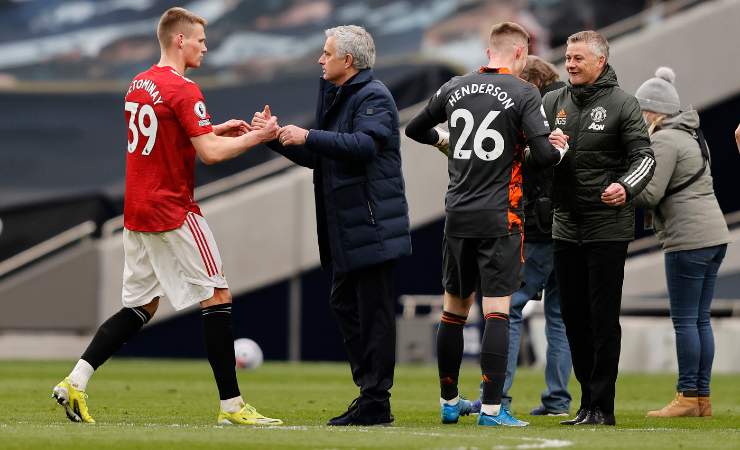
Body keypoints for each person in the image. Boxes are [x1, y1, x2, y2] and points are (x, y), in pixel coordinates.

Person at [51, 7, 282, 426]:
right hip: (172, 209)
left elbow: (174, 135)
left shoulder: (138, 83)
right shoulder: (184, 89)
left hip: (136, 210)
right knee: (217, 295)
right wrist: (258, 137)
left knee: (141, 305)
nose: (205, 48)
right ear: (180, 40)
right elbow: (209, 154)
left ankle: (75, 382)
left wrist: (216, 129)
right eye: (200, 40)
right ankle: (232, 407)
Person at [405, 22, 568, 428]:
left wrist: (445, 141)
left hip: (457, 214)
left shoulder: (454, 87)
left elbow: (413, 128)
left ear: (488, 49)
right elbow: (544, 156)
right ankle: (493, 411)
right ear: (520, 52)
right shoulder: (524, 91)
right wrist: (559, 149)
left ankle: (448, 402)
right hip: (501, 216)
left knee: (453, 312)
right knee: (496, 312)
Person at [252, 25, 411, 426]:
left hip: (372, 225)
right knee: (345, 306)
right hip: (344, 227)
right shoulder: (338, 95)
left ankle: (376, 399)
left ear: (349, 61)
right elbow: (323, 158)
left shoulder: (374, 96)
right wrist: (274, 138)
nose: (320, 60)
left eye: (326, 53)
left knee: (373, 315)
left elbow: (363, 146)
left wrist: (308, 134)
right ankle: (370, 394)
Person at [541, 30, 655, 426]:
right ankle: (586, 402)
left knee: (602, 317)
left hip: (608, 226)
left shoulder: (624, 104)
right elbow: (528, 153)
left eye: (577, 58)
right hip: (565, 224)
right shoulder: (552, 100)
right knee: (572, 316)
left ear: (600, 62)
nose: (569, 63)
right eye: (568, 57)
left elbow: (644, 157)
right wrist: (545, 148)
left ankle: (602, 406)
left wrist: (625, 186)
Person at [633, 67, 730, 418]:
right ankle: (701, 398)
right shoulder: (691, 134)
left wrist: (621, 187)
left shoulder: (663, 140)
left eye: (640, 110)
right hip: (714, 235)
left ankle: (688, 395)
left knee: (686, 321)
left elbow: (650, 193)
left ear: (652, 111)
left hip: (688, 239)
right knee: (700, 320)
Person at [501, 55, 572, 417]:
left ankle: (499, 397)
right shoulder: (572, 108)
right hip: (570, 229)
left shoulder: (534, 114)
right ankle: (558, 399)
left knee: (509, 308)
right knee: (560, 316)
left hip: (538, 230)